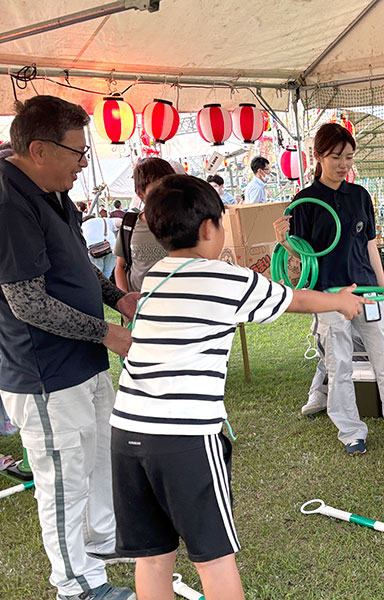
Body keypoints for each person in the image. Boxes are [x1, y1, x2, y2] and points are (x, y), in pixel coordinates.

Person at [110, 174, 367, 600]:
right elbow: (295, 299)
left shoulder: (156, 276)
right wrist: (341, 301)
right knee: (213, 558)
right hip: (185, 436)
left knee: (153, 557)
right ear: (210, 228)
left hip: (127, 433)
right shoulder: (222, 278)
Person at [0, 95, 138, 600]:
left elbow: (76, 263)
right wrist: (106, 331)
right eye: (77, 153)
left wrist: (117, 296)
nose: (84, 164)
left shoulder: (53, 188)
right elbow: (28, 304)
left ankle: (102, 540)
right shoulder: (9, 202)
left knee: (101, 453)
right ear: (38, 149)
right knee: (63, 482)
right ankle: (76, 585)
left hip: (82, 361)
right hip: (43, 375)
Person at [273, 123, 384, 455]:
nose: (343, 164)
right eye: (336, 157)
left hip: (368, 291)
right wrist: (284, 241)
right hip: (330, 294)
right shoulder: (305, 201)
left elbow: (371, 246)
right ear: (318, 156)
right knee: (339, 366)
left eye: (349, 157)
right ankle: (351, 432)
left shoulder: (360, 195)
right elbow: (301, 259)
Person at [112, 157, 174, 293]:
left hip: (174, 305)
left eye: (170, 186)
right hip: (139, 307)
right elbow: (120, 266)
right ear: (141, 194)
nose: (166, 194)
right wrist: (125, 298)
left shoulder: (185, 222)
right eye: (158, 189)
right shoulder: (130, 224)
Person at [82, 213, 119, 279]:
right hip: (111, 247)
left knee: (98, 275)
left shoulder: (82, 225)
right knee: (108, 272)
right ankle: (109, 285)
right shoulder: (103, 220)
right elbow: (120, 222)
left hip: (94, 251)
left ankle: (101, 287)